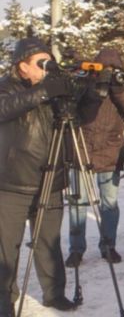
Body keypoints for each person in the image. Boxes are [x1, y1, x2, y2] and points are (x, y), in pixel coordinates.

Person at [0, 37, 78, 314]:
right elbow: (5, 108)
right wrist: (43, 92)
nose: (47, 68)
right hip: (13, 181)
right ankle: (4, 300)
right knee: (6, 248)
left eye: (49, 62)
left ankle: (54, 293)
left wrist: (80, 95)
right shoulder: (6, 87)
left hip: (51, 178)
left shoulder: (54, 88)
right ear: (22, 66)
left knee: (49, 242)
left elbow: (77, 122)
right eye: (40, 63)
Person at [65, 48, 124, 268]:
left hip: (111, 150)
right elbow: (71, 107)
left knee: (109, 204)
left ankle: (109, 245)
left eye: (114, 70)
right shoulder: (85, 82)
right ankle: (76, 249)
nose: (110, 74)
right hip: (82, 149)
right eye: (105, 69)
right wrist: (94, 89)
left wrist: (118, 90)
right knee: (77, 203)